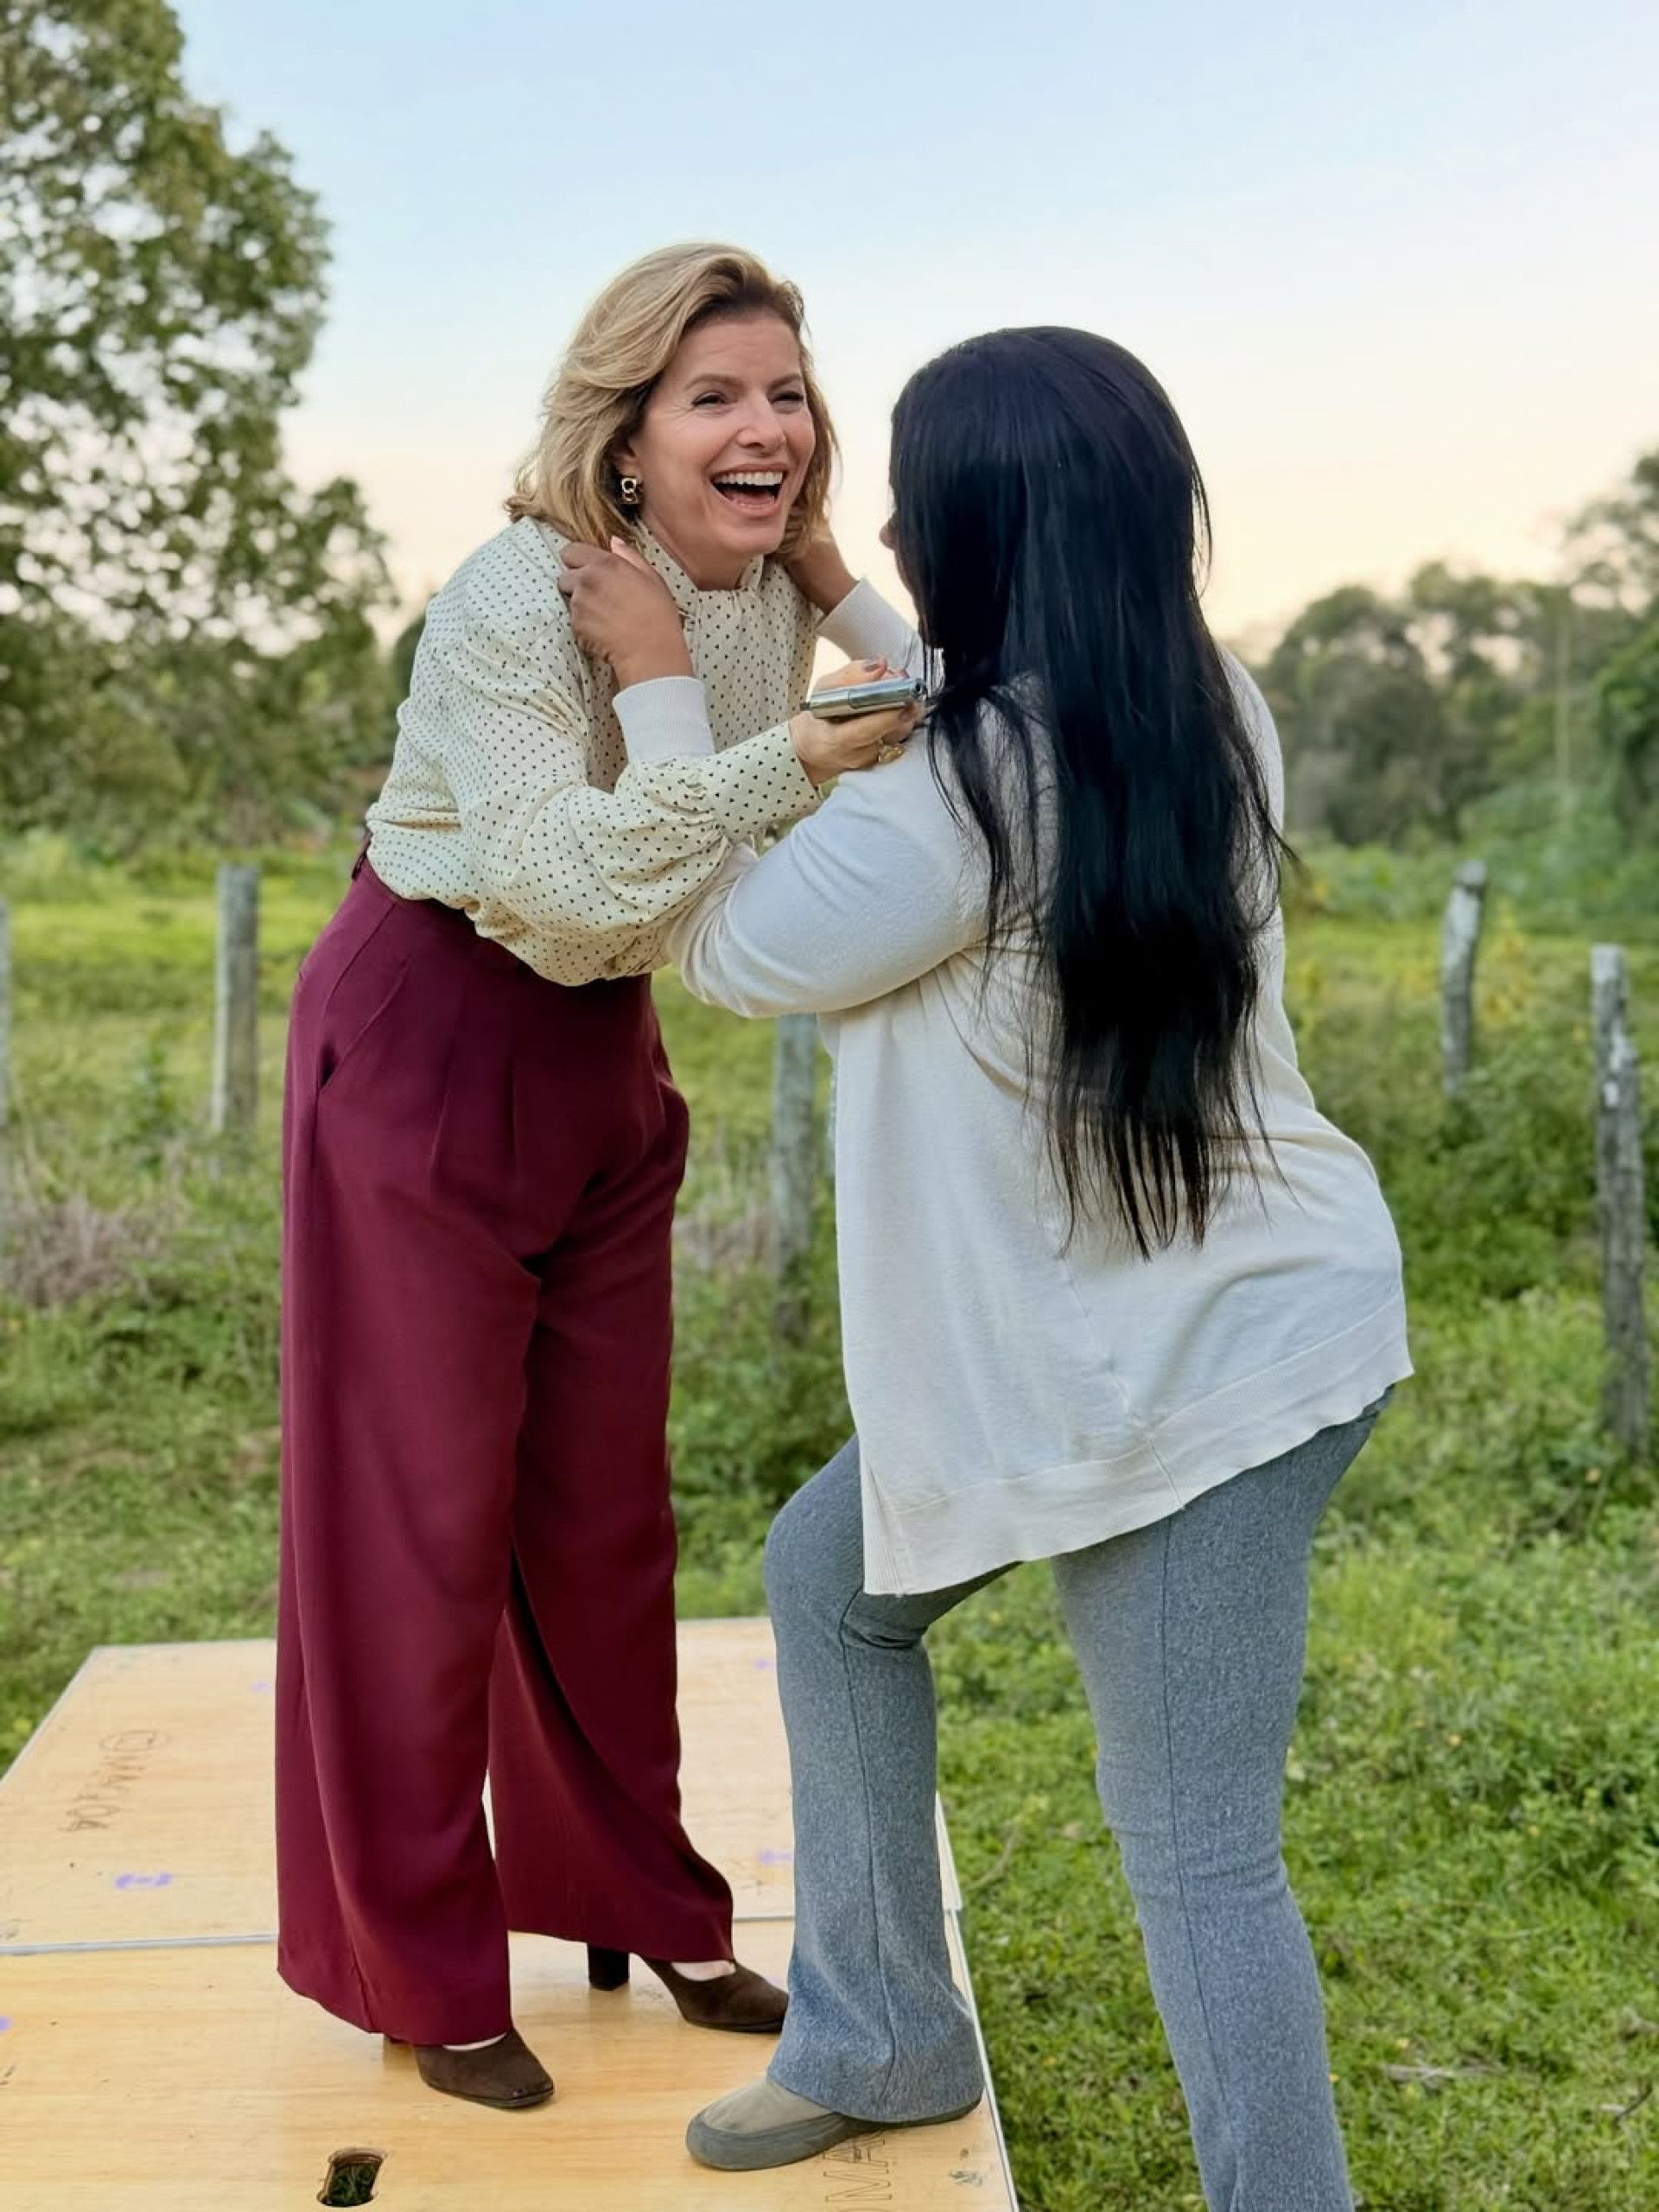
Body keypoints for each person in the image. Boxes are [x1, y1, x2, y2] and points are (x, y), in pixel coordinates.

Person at [563, 326, 1411, 2207]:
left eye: (907, 497)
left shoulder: (960, 794)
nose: (881, 516)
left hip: (1194, 1377)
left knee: (1197, 1853)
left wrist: (657, 689)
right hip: (1140, 1318)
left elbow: (728, 940)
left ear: (983, 522)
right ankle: (883, 2027)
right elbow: (955, 683)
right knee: (827, 1579)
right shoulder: (1191, 697)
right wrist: (824, 589)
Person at [275, 243, 918, 2113]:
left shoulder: (751, 591)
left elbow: (935, 692)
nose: (766, 427)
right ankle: (418, 1962)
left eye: (788, 391)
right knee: (419, 1527)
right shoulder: (512, 599)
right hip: (432, 1033)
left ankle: (639, 1893)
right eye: (716, 394)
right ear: (623, 433)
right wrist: (780, 752)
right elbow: (564, 878)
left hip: (601, 1065)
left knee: (604, 1518)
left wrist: (818, 587)